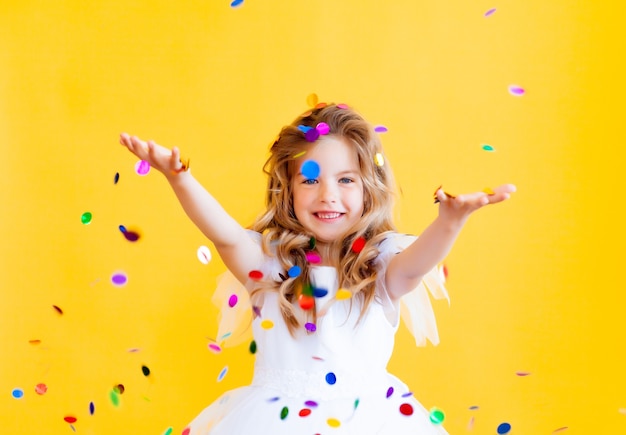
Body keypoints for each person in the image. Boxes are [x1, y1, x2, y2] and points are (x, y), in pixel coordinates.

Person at [119, 102, 515, 434]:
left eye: (346, 180)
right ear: (288, 188)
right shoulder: (270, 264)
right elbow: (225, 237)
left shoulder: (379, 265)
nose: (328, 195)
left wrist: (450, 221)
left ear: (368, 189)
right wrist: (179, 178)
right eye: (310, 180)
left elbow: (414, 267)